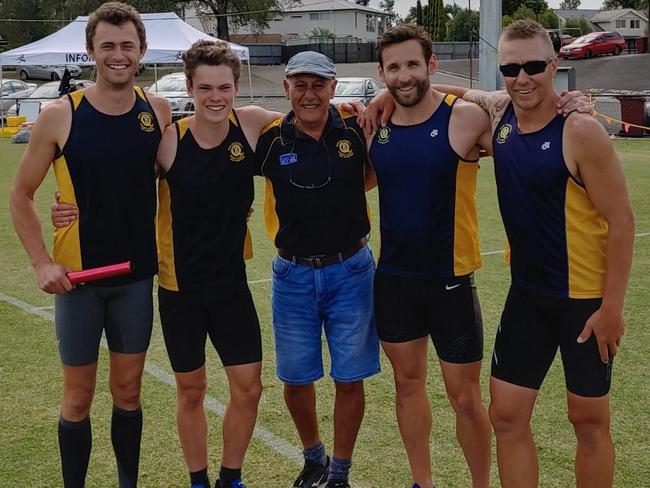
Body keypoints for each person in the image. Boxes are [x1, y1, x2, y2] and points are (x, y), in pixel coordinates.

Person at [367, 20, 633, 488]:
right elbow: (444, 91)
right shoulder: (500, 114)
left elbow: (623, 222)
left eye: (534, 65)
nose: (522, 77)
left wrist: (612, 308)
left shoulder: (581, 129)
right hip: (527, 296)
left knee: (588, 421)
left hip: (584, 301)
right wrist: (387, 94)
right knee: (507, 417)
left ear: (554, 66)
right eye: (511, 68)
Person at [9, 2, 171, 487]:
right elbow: (20, 195)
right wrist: (41, 263)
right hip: (78, 281)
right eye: (108, 47)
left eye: (127, 46)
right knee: (77, 397)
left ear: (141, 51)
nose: (117, 55)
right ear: (91, 52)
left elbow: (176, 176)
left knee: (127, 392)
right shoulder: (60, 115)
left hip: (135, 278)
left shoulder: (157, 110)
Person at [366, 24, 493, 488]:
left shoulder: (466, 119)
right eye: (394, 67)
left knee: (465, 398)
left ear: (431, 64)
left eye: (413, 64)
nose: (404, 75)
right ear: (381, 72)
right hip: (395, 280)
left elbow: (519, 113)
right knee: (407, 386)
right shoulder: (372, 127)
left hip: (452, 281)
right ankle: (423, 482)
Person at [255, 51, 380, 488]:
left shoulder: (357, 128)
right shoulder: (269, 139)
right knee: (296, 377)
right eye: (300, 84)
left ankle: (340, 472)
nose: (309, 94)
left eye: (318, 84)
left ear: (334, 87)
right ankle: (314, 459)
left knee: (350, 376)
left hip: (352, 270)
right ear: (286, 88)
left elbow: (371, 175)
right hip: (292, 276)